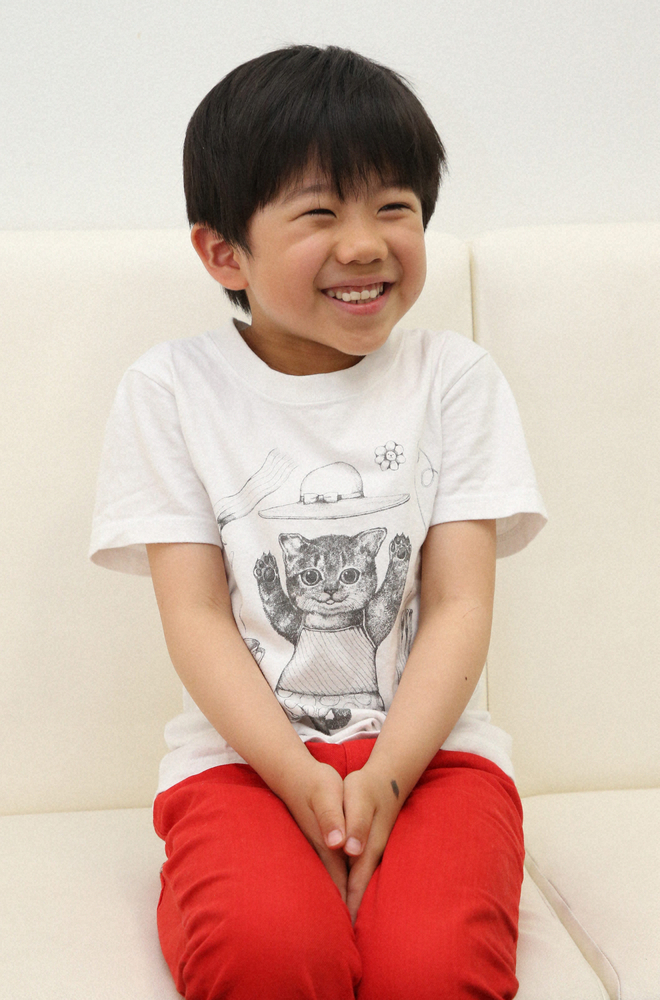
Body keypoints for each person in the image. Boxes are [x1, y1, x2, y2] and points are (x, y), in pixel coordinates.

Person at [90, 44, 546, 1000]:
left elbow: (458, 606)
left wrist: (386, 779)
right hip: (241, 762)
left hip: (433, 757)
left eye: (395, 207)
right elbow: (198, 617)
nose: (366, 243)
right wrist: (300, 782)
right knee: (266, 954)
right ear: (225, 252)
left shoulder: (454, 380)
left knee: (433, 970)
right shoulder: (171, 389)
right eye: (320, 213)